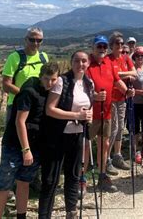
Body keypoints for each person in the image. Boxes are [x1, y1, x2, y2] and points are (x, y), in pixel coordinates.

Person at [0, 62, 59, 219]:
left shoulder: (50, 92)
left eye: (53, 79)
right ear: (41, 76)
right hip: (15, 145)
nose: (49, 83)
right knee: (4, 186)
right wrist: (26, 150)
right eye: (47, 79)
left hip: (34, 145)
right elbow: (19, 121)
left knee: (24, 182)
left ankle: (21, 216)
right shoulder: (29, 91)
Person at [38, 51, 94, 219]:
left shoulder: (88, 83)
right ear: (71, 62)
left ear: (88, 64)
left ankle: (72, 212)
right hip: (57, 135)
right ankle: (44, 215)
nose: (81, 64)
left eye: (84, 61)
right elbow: (50, 109)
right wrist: (77, 116)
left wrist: (88, 114)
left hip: (77, 134)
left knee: (74, 175)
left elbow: (88, 106)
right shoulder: (62, 81)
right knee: (51, 179)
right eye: (77, 60)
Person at [83, 35, 127, 192]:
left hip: (106, 111)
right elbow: (80, 87)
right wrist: (93, 96)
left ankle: (102, 176)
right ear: (93, 48)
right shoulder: (87, 64)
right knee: (85, 146)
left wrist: (127, 91)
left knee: (104, 144)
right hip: (90, 113)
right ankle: (82, 179)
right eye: (98, 46)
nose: (102, 49)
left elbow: (116, 80)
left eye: (104, 47)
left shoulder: (108, 62)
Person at [2, 27, 49, 124]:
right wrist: (27, 95)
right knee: (13, 138)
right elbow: (6, 85)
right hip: (17, 105)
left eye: (39, 40)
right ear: (25, 39)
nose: (35, 43)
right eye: (32, 40)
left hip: (38, 105)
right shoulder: (14, 57)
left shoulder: (44, 57)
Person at [107, 32, 136, 173]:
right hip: (111, 98)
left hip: (122, 98)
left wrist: (120, 74)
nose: (120, 45)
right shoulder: (108, 59)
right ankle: (106, 159)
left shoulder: (125, 59)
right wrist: (126, 74)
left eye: (121, 43)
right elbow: (113, 78)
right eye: (117, 43)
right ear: (111, 45)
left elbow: (135, 73)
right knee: (113, 129)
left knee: (119, 129)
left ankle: (117, 155)